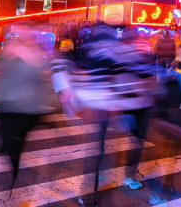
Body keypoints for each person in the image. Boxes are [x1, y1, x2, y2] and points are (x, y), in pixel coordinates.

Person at [52, 23, 160, 207]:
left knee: (103, 148)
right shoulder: (105, 49)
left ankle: (92, 192)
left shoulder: (101, 49)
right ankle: (89, 192)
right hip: (104, 104)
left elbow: (134, 71)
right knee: (99, 150)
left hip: (112, 103)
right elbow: (64, 62)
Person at [0, 33, 52, 191]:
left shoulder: (32, 62)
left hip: (23, 109)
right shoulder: (9, 59)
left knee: (15, 141)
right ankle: (11, 156)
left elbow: (40, 83)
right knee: (11, 141)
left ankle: (13, 169)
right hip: (10, 107)